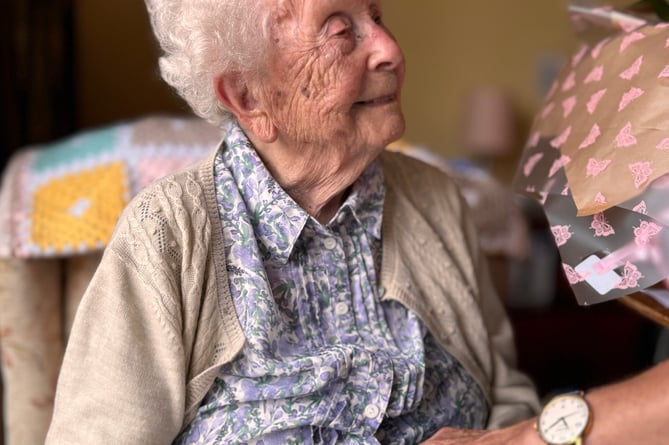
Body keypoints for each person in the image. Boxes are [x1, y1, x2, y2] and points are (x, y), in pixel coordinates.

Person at [45, 0, 541, 443]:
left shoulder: (437, 200)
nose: (389, 50)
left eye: (377, 16)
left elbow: (507, 393)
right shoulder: (166, 234)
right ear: (247, 96)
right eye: (340, 31)